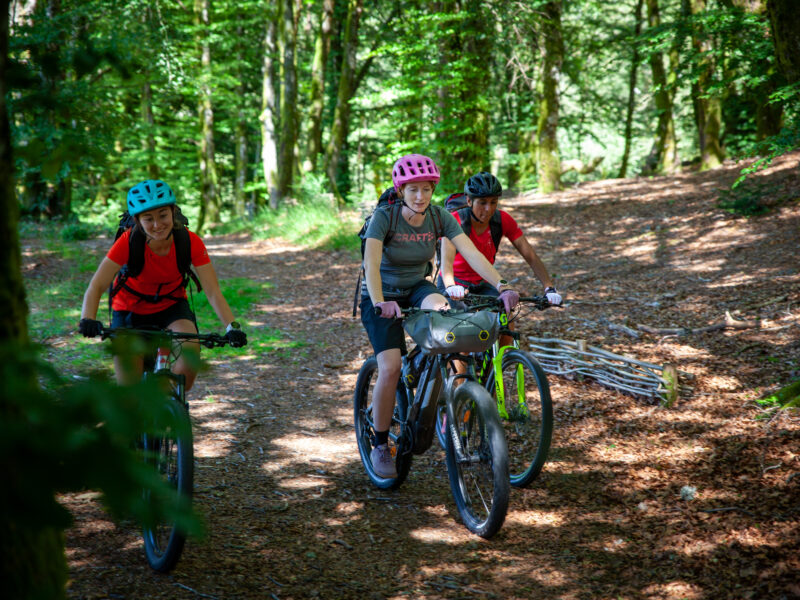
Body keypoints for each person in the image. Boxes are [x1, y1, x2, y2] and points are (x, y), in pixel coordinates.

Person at [361, 154, 520, 479]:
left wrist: (502, 285)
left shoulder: (439, 217)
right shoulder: (384, 217)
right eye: (413, 189)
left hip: (418, 287)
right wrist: (380, 302)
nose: (420, 196)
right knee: (390, 367)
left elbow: (472, 254)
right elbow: (371, 265)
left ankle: (433, 377)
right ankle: (379, 444)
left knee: (448, 316)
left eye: (426, 189)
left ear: (434, 190)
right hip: (380, 293)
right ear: (401, 190)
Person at [79, 179, 247, 389]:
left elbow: (212, 291)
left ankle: (165, 399)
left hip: (171, 306)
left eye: (163, 215)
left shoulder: (190, 242)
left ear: (173, 211)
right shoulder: (128, 242)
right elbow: (96, 286)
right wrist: (87, 319)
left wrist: (232, 327)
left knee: (190, 350)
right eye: (148, 219)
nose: (157, 225)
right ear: (137, 220)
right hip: (129, 310)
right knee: (128, 392)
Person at [438, 172, 562, 318]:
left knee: (506, 315)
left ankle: (507, 341)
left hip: (485, 280)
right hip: (455, 282)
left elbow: (530, 256)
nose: (488, 209)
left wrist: (549, 288)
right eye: (482, 202)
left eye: (493, 202)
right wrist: (451, 287)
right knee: (460, 328)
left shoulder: (502, 220)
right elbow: (446, 263)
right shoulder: (455, 221)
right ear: (469, 201)